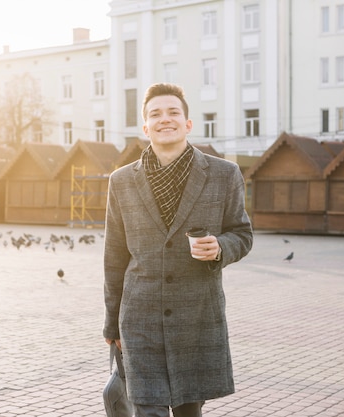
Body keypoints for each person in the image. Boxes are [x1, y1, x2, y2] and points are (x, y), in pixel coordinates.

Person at [103, 83, 253, 417]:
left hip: (196, 315)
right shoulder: (122, 181)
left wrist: (220, 247)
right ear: (145, 127)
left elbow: (242, 234)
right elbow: (114, 257)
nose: (164, 119)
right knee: (148, 410)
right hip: (139, 319)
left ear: (188, 123)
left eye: (173, 112)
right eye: (155, 114)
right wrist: (112, 326)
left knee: (189, 410)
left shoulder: (223, 174)